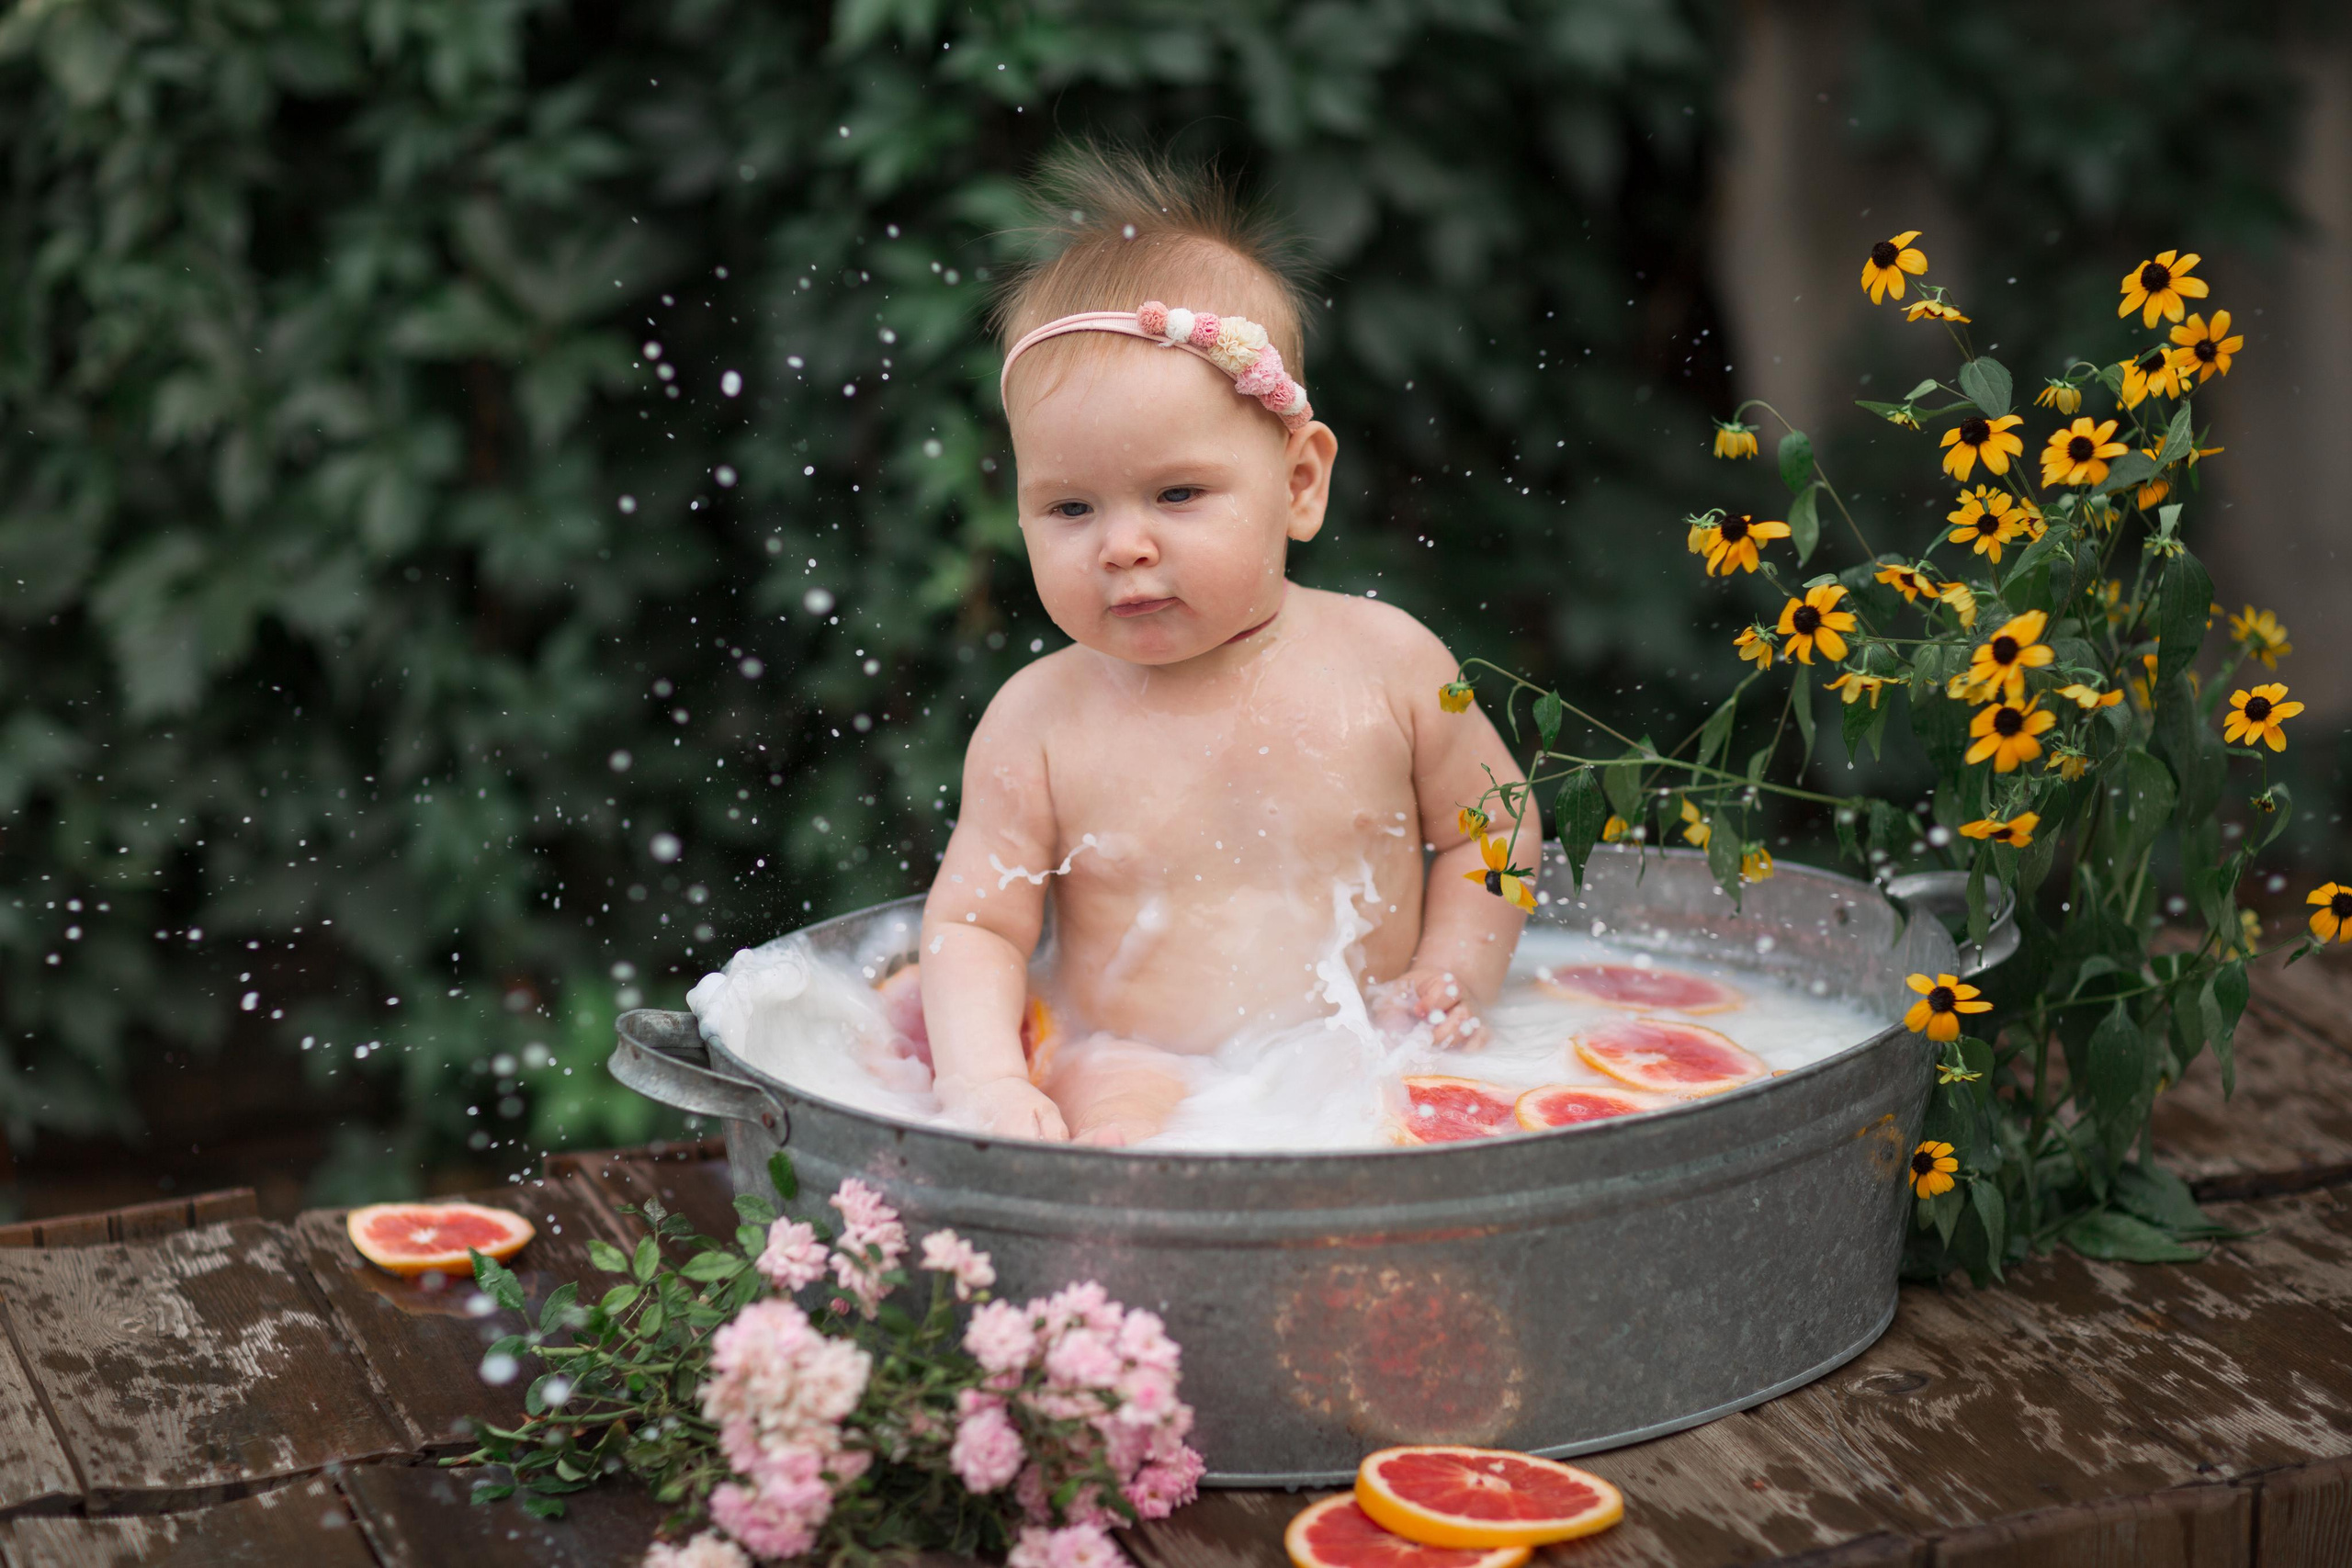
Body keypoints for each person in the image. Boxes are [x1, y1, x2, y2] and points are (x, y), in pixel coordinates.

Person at [913, 145, 1527, 1145]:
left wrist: (1451, 975)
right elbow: (976, 926)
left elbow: (1493, 828)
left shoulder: (1390, 666)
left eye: (1177, 493)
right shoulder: (1038, 723)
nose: (1122, 545)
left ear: (1299, 483)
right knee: (1111, 1151)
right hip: (1132, 1063)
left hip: (1365, 1053)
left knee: (1422, 1135)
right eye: (1069, 507)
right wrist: (983, 1083)